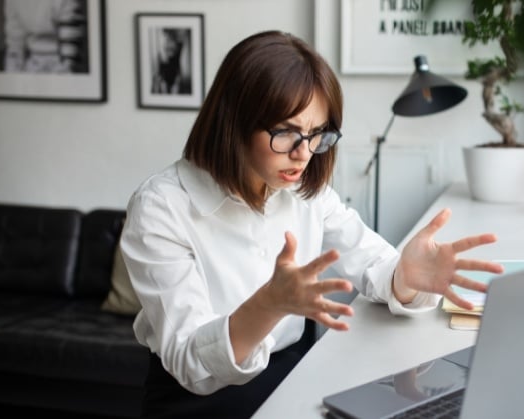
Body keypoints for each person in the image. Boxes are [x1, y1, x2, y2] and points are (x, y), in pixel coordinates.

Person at [120, 30, 503, 419]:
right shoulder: (161, 207)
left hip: (293, 380)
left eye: (317, 134)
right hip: (198, 404)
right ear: (233, 120)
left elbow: (373, 266)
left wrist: (407, 275)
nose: (303, 154)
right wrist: (268, 306)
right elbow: (191, 364)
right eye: (286, 132)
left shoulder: (304, 191)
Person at [150, 27, 192, 95]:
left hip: (174, 69)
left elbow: (173, 52)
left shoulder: (179, 46)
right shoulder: (162, 54)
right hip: (167, 69)